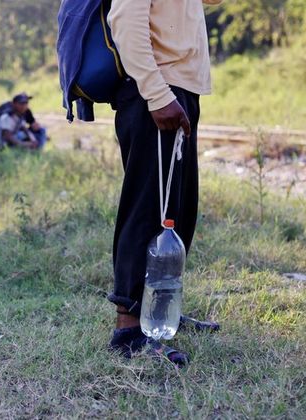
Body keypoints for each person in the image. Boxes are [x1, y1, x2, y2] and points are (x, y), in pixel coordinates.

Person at [106, 0, 221, 365]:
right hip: (156, 91)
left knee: (177, 210)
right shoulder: (157, 94)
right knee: (148, 211)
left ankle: (161, 311)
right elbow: (125, 22)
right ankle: (129, 329)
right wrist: (157, 95)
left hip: (180, 88)